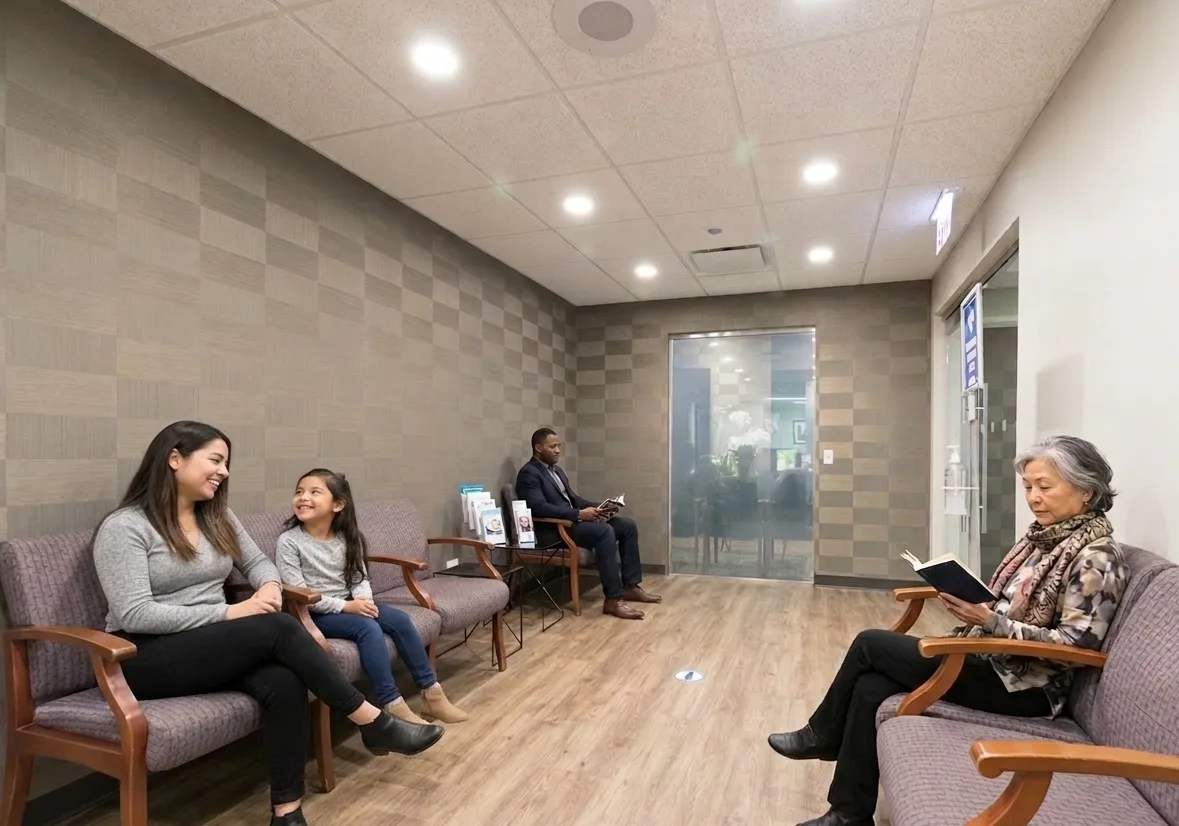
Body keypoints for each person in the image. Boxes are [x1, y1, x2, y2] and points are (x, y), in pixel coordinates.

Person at [91, 421, 444, 826]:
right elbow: (136, 613)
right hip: (140, 656)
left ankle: (286, 813)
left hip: (208, 645)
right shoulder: (126, 526)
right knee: (277, 628)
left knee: (283, 682)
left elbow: (257, 562)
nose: (223, 471)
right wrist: (231, 611)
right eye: (215, 460)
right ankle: (371, 720)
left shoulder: (216, 515)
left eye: (226, 463)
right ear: (174, 459)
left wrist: (272, 586)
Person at [767, 435, 1129, 826]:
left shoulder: (1097, 558)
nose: (1033, 498)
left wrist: (989, 621)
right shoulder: (1042, 540)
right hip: (991, 658)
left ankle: (821, 735)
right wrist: (972, 602)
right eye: (1028, 487)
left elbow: (1078, 645)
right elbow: (1008, 603)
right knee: (871, 686)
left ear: (1086, 491)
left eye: (1045, 487)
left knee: (869, 644)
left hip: (1026, 687)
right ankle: (848, 814)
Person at [276, 468, 468, 726]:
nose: (303, 497)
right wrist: (347, 607)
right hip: (312, 613)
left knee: (399, 620)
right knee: (367, 628)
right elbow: (300, 593)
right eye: (299, 492)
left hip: (350, 604)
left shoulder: (348, 538)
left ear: (338, 504)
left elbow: (359, 577)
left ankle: (432, 695)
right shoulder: (289, 541)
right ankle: (392, 704)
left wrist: (364, 602)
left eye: (314, 492)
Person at [516, 427, 661, 620]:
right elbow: (537, 507)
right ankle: (613, 599)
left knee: (627, 525)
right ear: (538, 448)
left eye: (559, 446)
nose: (558, 450)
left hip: (572, 523)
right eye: (553, 447)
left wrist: (598, 507)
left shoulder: (556, 471)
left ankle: (630, 586)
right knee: (604, 532)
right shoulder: (529, 473)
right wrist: (578, 514)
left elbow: (572, 498)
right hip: (554, 530)